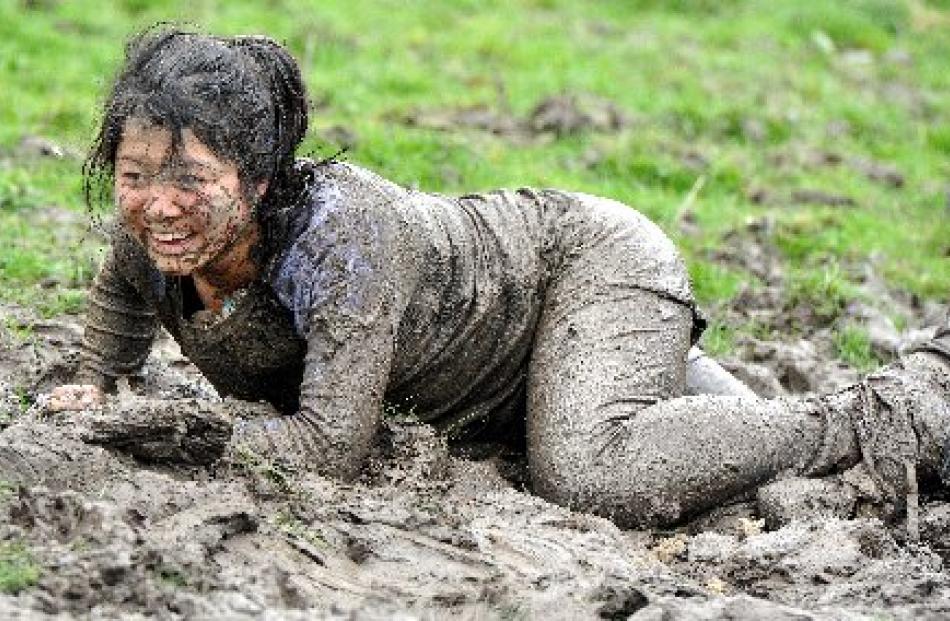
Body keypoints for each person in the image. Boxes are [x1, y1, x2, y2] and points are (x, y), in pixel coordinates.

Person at [46, 27, 949, 529]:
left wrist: (157, 427)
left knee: (594, 473)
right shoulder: (152, 235)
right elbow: (122, 293)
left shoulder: (342, 239)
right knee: (737, 448)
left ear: (259, 176)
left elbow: (328, 449)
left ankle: (901, 406)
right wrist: (99, 378)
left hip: (581, 269)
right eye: (135, 177)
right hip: (520, 372)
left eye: (190, 180)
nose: (158, 205)